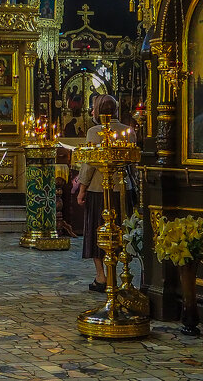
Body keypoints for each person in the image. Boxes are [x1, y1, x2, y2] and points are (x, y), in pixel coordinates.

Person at [76, 94, 125, 292]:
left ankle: (101, 276)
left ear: (97, 110)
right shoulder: (126, 131)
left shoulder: (94, 131)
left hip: (98, 188)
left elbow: (89, 164)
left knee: (97, 231)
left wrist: (81, 189)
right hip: (122, 189)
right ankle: (120, 274)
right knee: (121, 230)